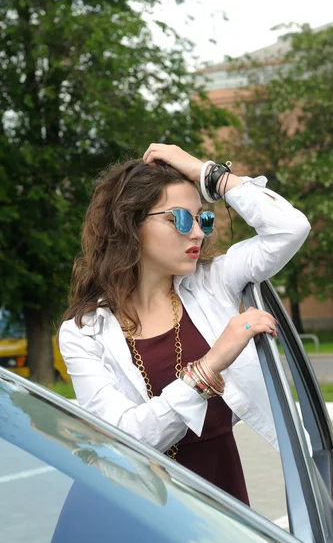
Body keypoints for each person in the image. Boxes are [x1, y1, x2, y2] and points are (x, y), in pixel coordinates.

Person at [58, 144, 311, 506]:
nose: (197, 233)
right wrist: (209, 366)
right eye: (180, 218)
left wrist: (206, 172)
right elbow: (122, 438)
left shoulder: (214, 282)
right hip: (132, 504)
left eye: (202, 219)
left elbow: (290, 228)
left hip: (220, 493)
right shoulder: (84, 332)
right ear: (131, 223)